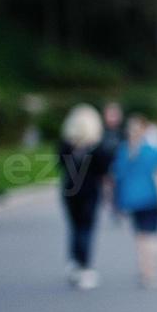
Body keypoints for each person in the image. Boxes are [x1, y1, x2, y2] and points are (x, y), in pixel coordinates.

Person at [111, 113, 157, 288]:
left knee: (141, 235)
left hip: (133, 199)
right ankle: (152, 270)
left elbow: (118, 174)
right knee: (154, 234)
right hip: (153, 197)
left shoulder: (125, 150)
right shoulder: (153, 148)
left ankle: (144, 268)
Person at [57, 104, 115, 289]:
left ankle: (74, 262)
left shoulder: (66, 144)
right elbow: (104, 170)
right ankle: (85, 266)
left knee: (74, 227)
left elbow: (60, 164)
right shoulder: (97, 147)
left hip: (70, 190)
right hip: (89, 191)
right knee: (86, 229)